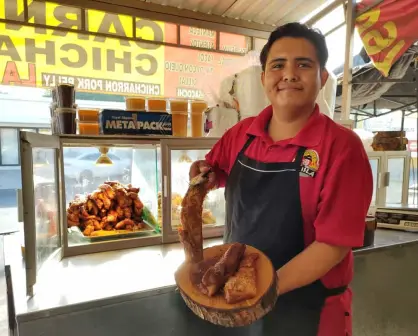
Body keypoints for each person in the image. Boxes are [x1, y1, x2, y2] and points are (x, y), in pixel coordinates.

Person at [189, 22, 373, 335]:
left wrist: (263, 291)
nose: (288, 74)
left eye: (303, 64)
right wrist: (203, 175)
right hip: (238, 297)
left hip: (308, 310)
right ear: (263, 79)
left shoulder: (342, 148)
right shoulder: (241, 134)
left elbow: (332, 245)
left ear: (323, 78)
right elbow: (215, 169)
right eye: (277, 65)